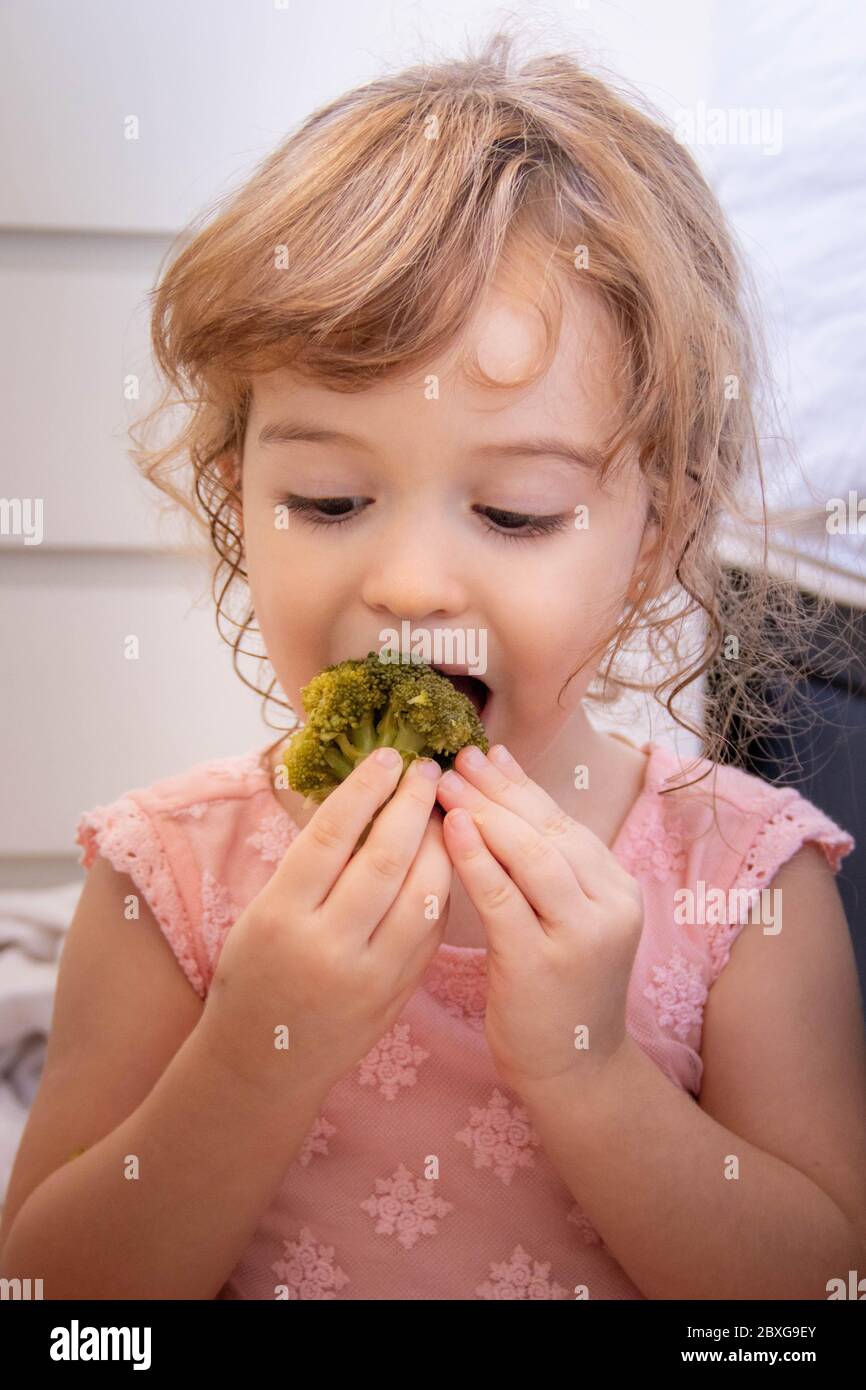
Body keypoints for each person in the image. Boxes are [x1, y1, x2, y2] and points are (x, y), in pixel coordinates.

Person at [1, 31, 865, 1301]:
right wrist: (251, 1055)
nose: (407, 582)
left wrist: (586, 1066)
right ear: (239, 498)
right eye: (330, 497)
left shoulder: (740, 891)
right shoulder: (166, 881)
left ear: (655, 538)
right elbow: (60, 1317)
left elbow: (811, 1302)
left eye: (514, 513)